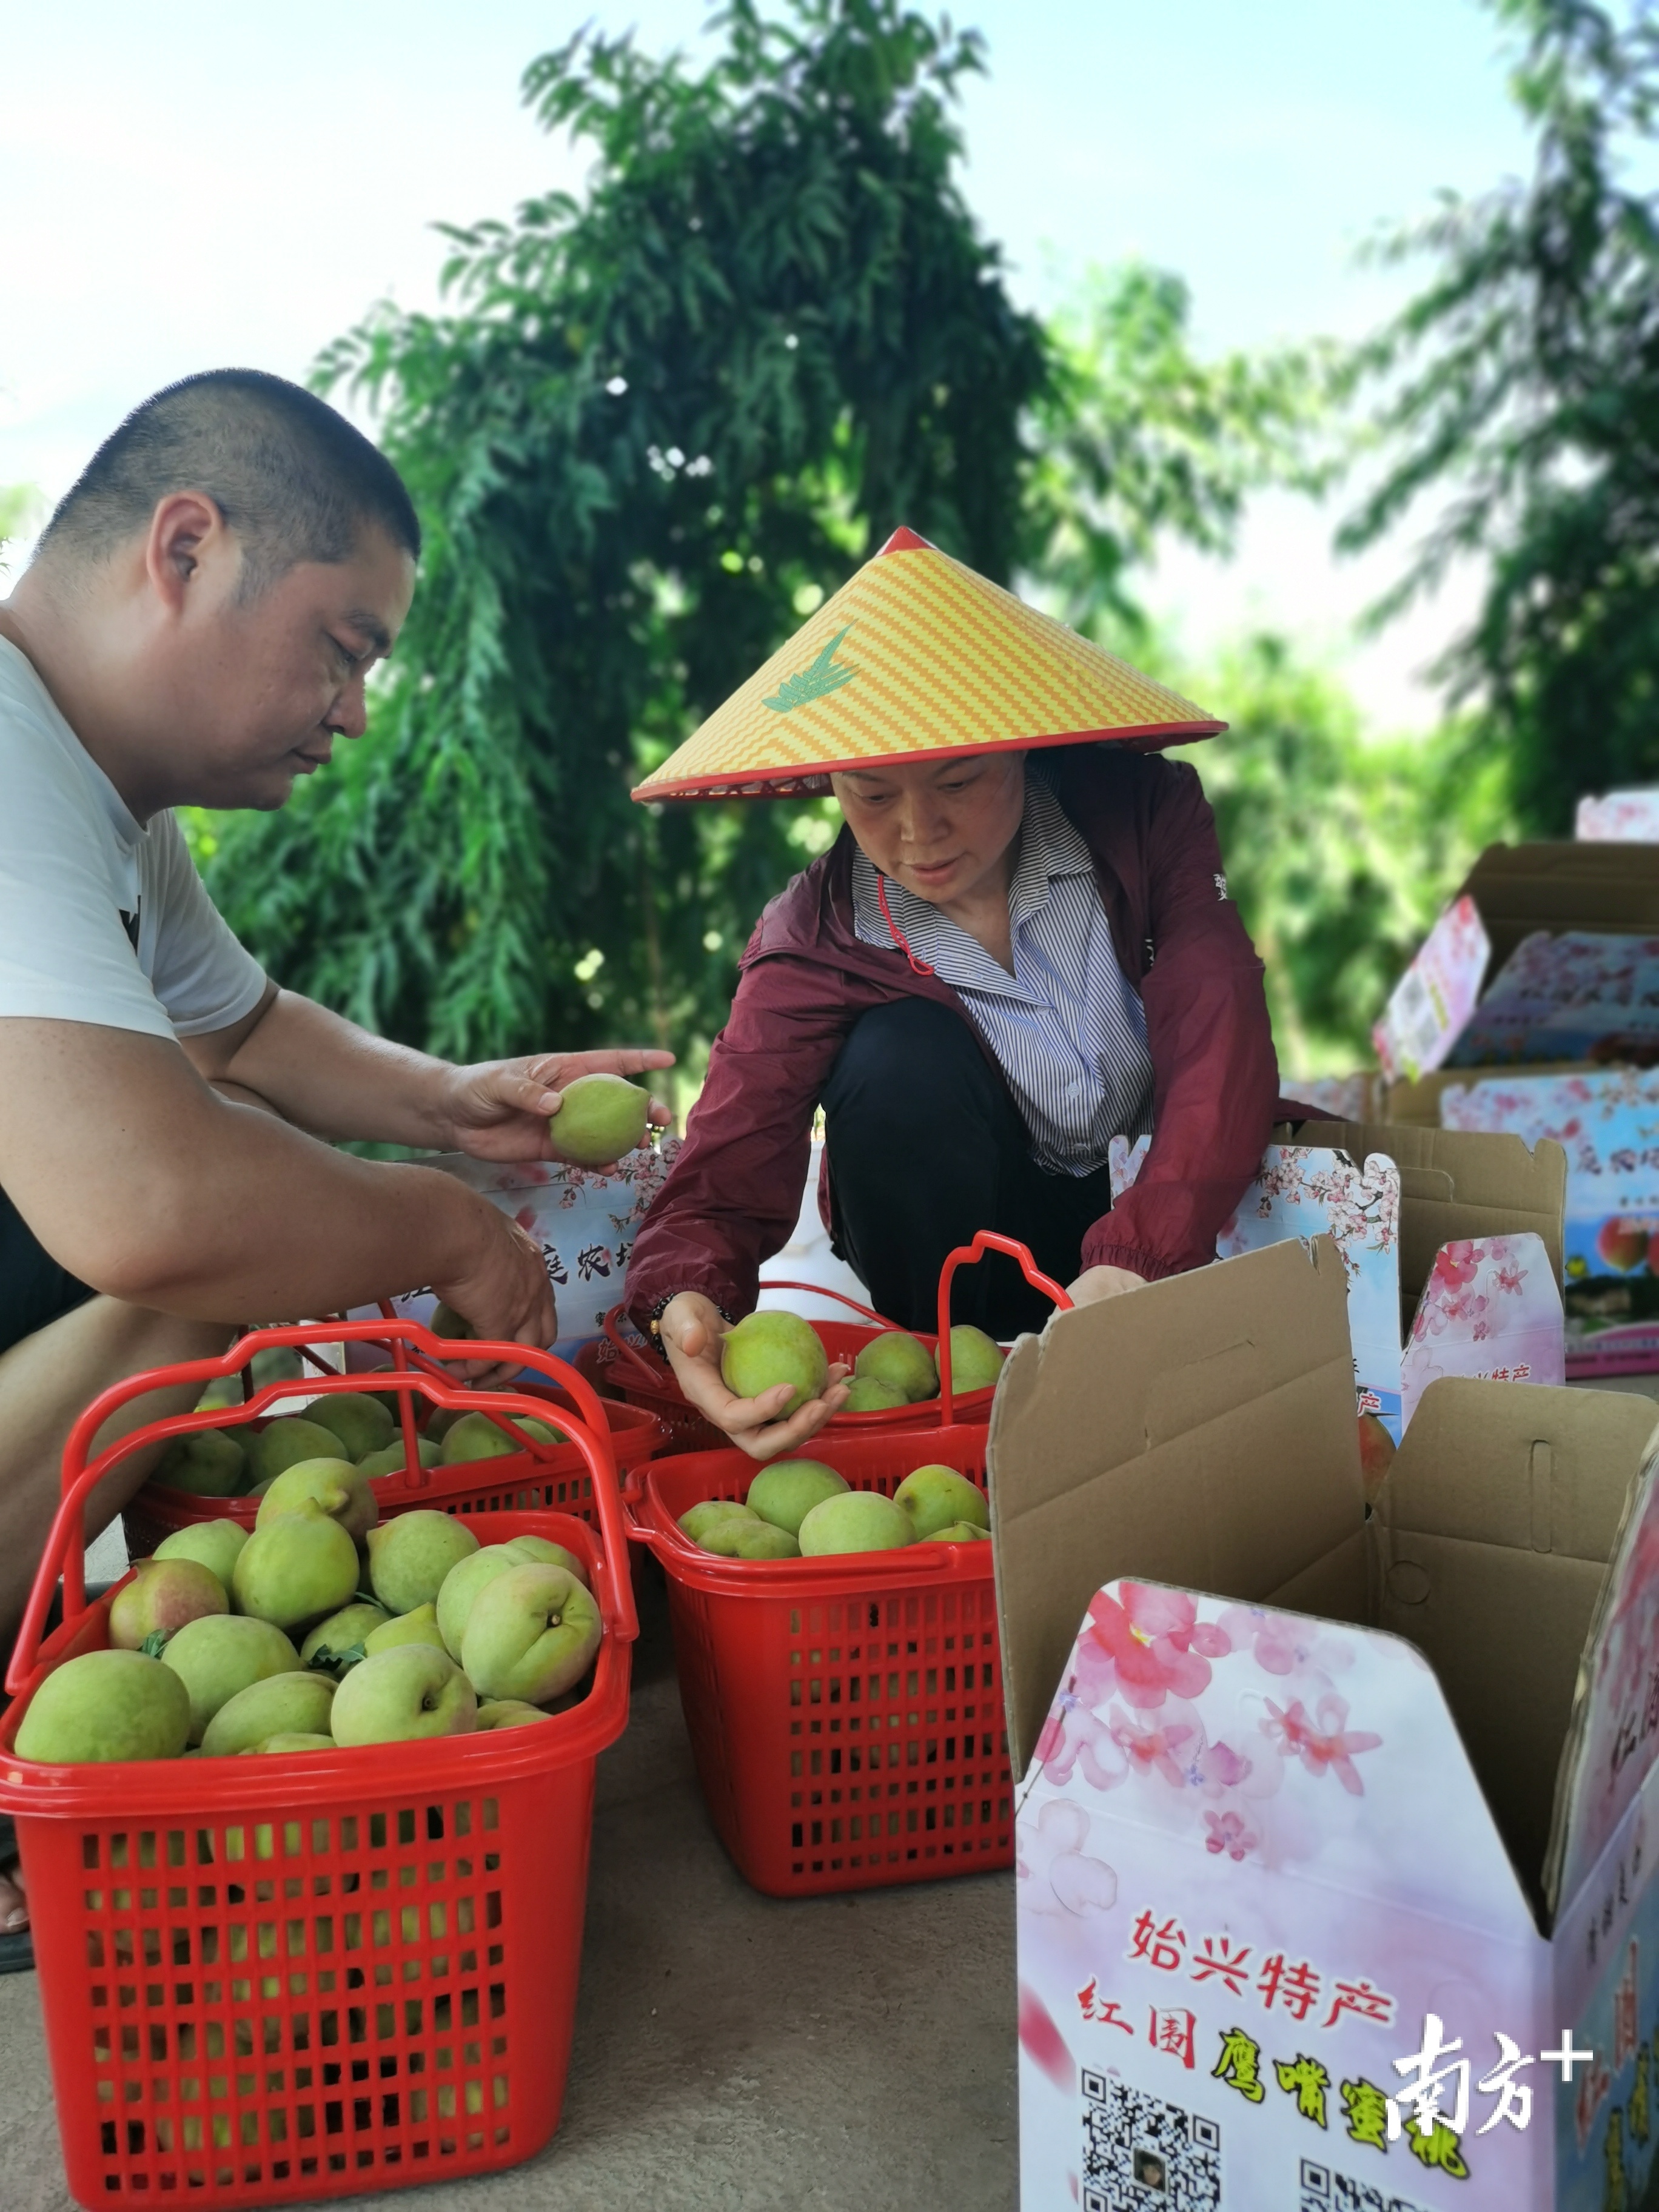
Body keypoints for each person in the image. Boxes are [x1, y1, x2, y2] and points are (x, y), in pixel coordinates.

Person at [0, 369, 671, 1963]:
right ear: (186, 548)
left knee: (226, 1214)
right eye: (343, 646)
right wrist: (440, 1225)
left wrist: (454, 1104)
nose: (358, 711)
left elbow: (243, 1028)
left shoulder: (92, 797)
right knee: (202, 1260)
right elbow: (153, 1204)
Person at [624, 527, 1278, 1459]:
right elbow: (730, 1152)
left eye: (960, 780)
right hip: (965, 1264)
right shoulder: (818, 929)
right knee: (895, 1061)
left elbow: (1218, 1015)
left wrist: (1141, 1256)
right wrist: (683, 1300)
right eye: (872, 793)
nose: (918, 832)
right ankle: (955, 1390)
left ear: (1022, 751)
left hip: (1157, 1215)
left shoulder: (1141, 816)